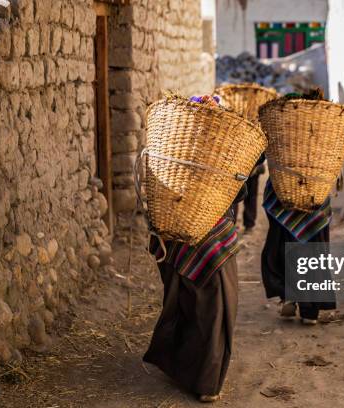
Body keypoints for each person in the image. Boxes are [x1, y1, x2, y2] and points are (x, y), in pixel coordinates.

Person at [143, 94, 248, 403]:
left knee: (187, 305)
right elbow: (239, 192)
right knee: (215, 309)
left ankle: (187, 368)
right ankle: (206, 381)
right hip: (212, 239)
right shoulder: (222, 151)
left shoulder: (171, 148)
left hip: (177, 238)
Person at [260, 179, 336, 324]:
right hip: (317, 190)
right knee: (315, 247)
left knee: (283, 241)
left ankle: (288, 294)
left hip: (283, 190)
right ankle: (310, 310)